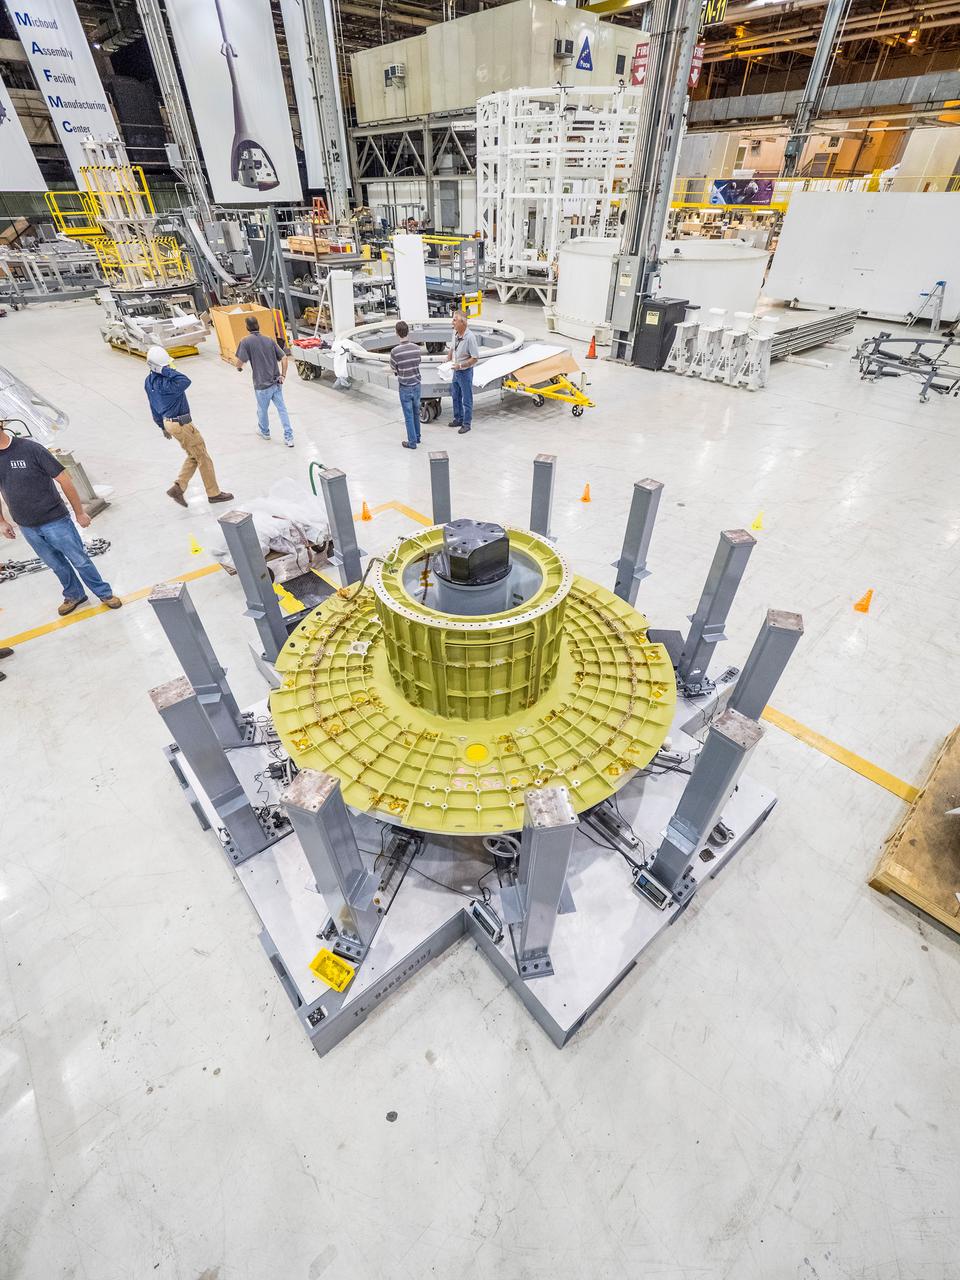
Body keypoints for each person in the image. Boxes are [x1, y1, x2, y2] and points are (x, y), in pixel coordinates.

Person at [0, 420, 122, 616]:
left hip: (55, 520)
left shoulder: (31, 449)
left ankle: (104, 593)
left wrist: (79, 512)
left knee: (79, 560)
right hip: (27, 526)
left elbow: (65, 480)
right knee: (56, 564)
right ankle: (74, 595)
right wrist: (2, 521)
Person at [144, 346, 233, 508]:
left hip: (168, 422)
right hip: (182, 424)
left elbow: (152, 406)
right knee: (203, 457)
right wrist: (165, 370)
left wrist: (161, 426)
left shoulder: (149, 381)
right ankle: (213, 493)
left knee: (194, 454)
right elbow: (185, 380)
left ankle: (179, 487)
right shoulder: (169, 384)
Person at [233, 317, 294, 447]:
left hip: (261, 385)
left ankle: (265, 432)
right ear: (258, 325)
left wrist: (238, 368)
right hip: (276, 382)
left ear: (247, 327)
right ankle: (289, 437)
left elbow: (239, 362)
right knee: (282, 410)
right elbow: (284, 357)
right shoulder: (269, 340)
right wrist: (283, 375)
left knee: (262, 410)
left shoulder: (245, 341)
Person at [390, 320, 422, 450]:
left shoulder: (395, 351)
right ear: (408, 332)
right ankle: (418, 436)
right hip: (417, 385)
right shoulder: (416, 348)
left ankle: (412, 442)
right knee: (416, 413)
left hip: (405, 387)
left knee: (408, 415)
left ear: (397, 333)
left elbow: (393, 368)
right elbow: (417, 362)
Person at [446, 310, 479, 435]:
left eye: (455, 320)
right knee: (456, 396)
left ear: (462, 322)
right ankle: (458, 419)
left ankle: (466, 423)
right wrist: (448, 358)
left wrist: (461, 365)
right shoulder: (455, 333)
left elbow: (475, 358)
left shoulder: (470, 338)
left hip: (465, 372)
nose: (452, 322)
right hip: (456, 371)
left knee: (467, 399)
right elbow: (452, 347)